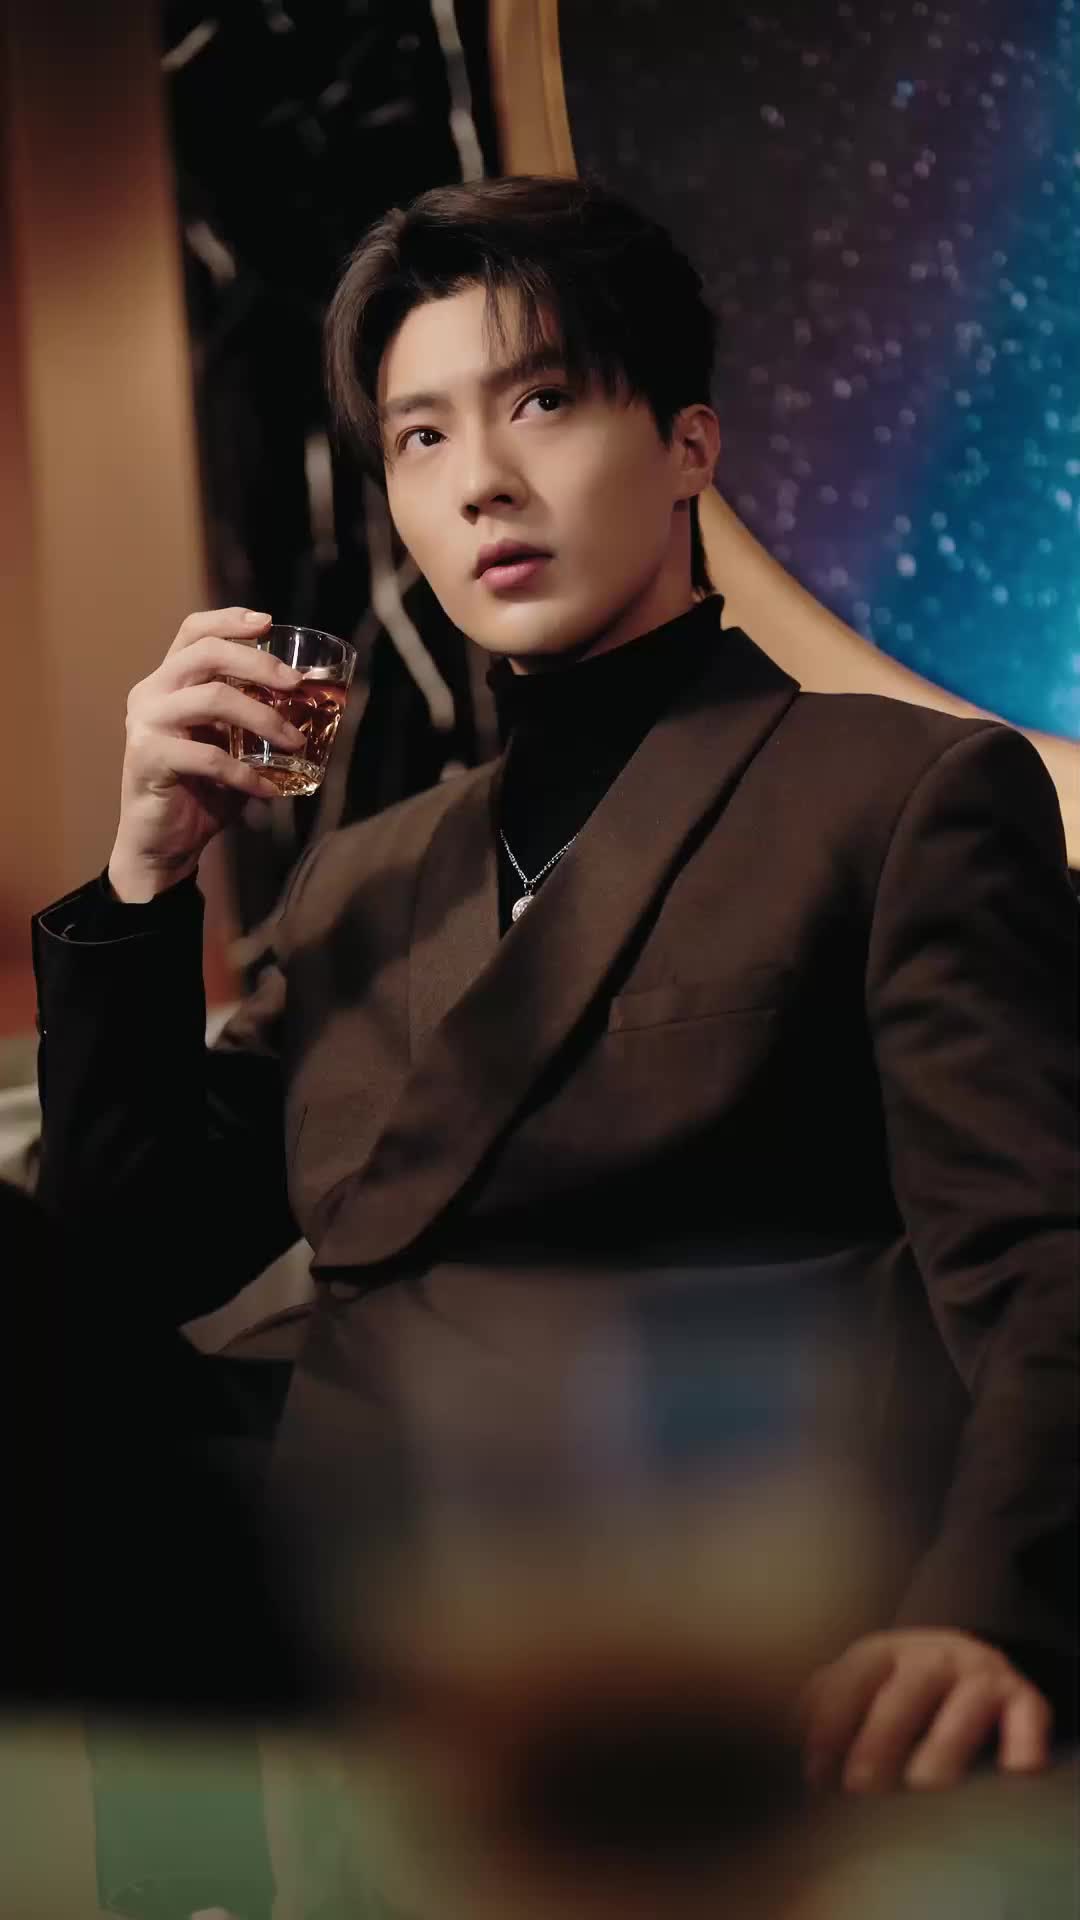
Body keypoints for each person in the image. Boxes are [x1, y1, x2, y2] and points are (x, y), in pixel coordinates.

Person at [33, 175, 1077, 1786]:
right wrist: (146, 876)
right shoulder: (367, 874)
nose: (483, 483)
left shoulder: (899, 794)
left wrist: (989, 1611)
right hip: (327, 1591)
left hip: (691, 1607)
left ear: (688, 446)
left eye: (541, 402)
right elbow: (124, 1262)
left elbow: (1042, 1265)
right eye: (422, 436)